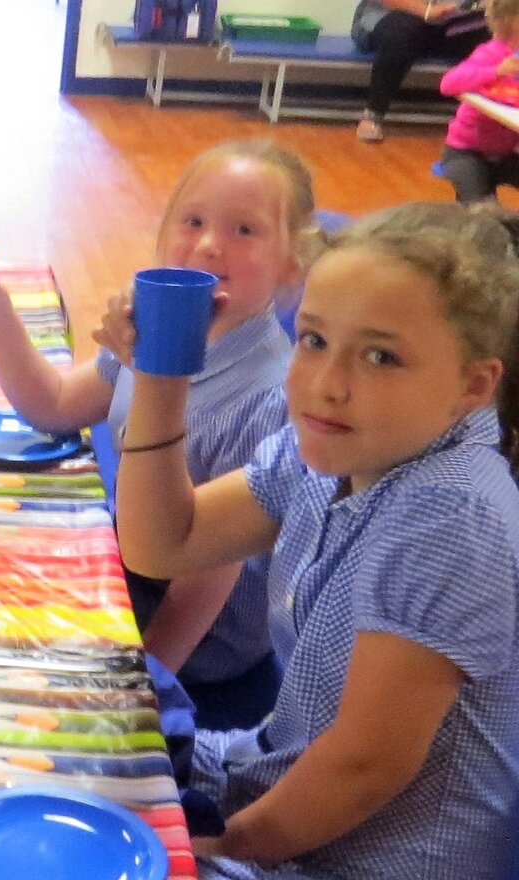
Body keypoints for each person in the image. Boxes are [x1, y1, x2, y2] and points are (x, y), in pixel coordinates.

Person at [110, 202, 519, 878]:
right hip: (281, 792)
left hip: (361, 860)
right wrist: (159, 369)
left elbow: (364, 768)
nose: (328, 386)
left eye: (382, 357)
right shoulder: (330, 449)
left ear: (473, 385)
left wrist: (210, 849)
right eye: (315, 341)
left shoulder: (452, 513)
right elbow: (164, 542)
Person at [0, 141, 319, 730]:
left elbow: (206, 576)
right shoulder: (156, 329)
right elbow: (54, 405)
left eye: (244, 230)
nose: (209, 244)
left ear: (292, 264)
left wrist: (136, 688)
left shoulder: (266, 396)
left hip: (202, 643)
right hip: (137, 569)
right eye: (194, 221)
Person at [352, 0, 490, 142]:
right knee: (401, 33)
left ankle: (497, 115)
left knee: (500, 28)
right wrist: (425, 11)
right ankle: (373, 113)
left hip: (448, 22)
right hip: (388, 16)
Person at [438, 0, 519, 201]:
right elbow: (448, 83)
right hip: (466, 152)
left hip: (507, 153)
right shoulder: (492, 52)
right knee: (484, 214)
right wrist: (497, 71)